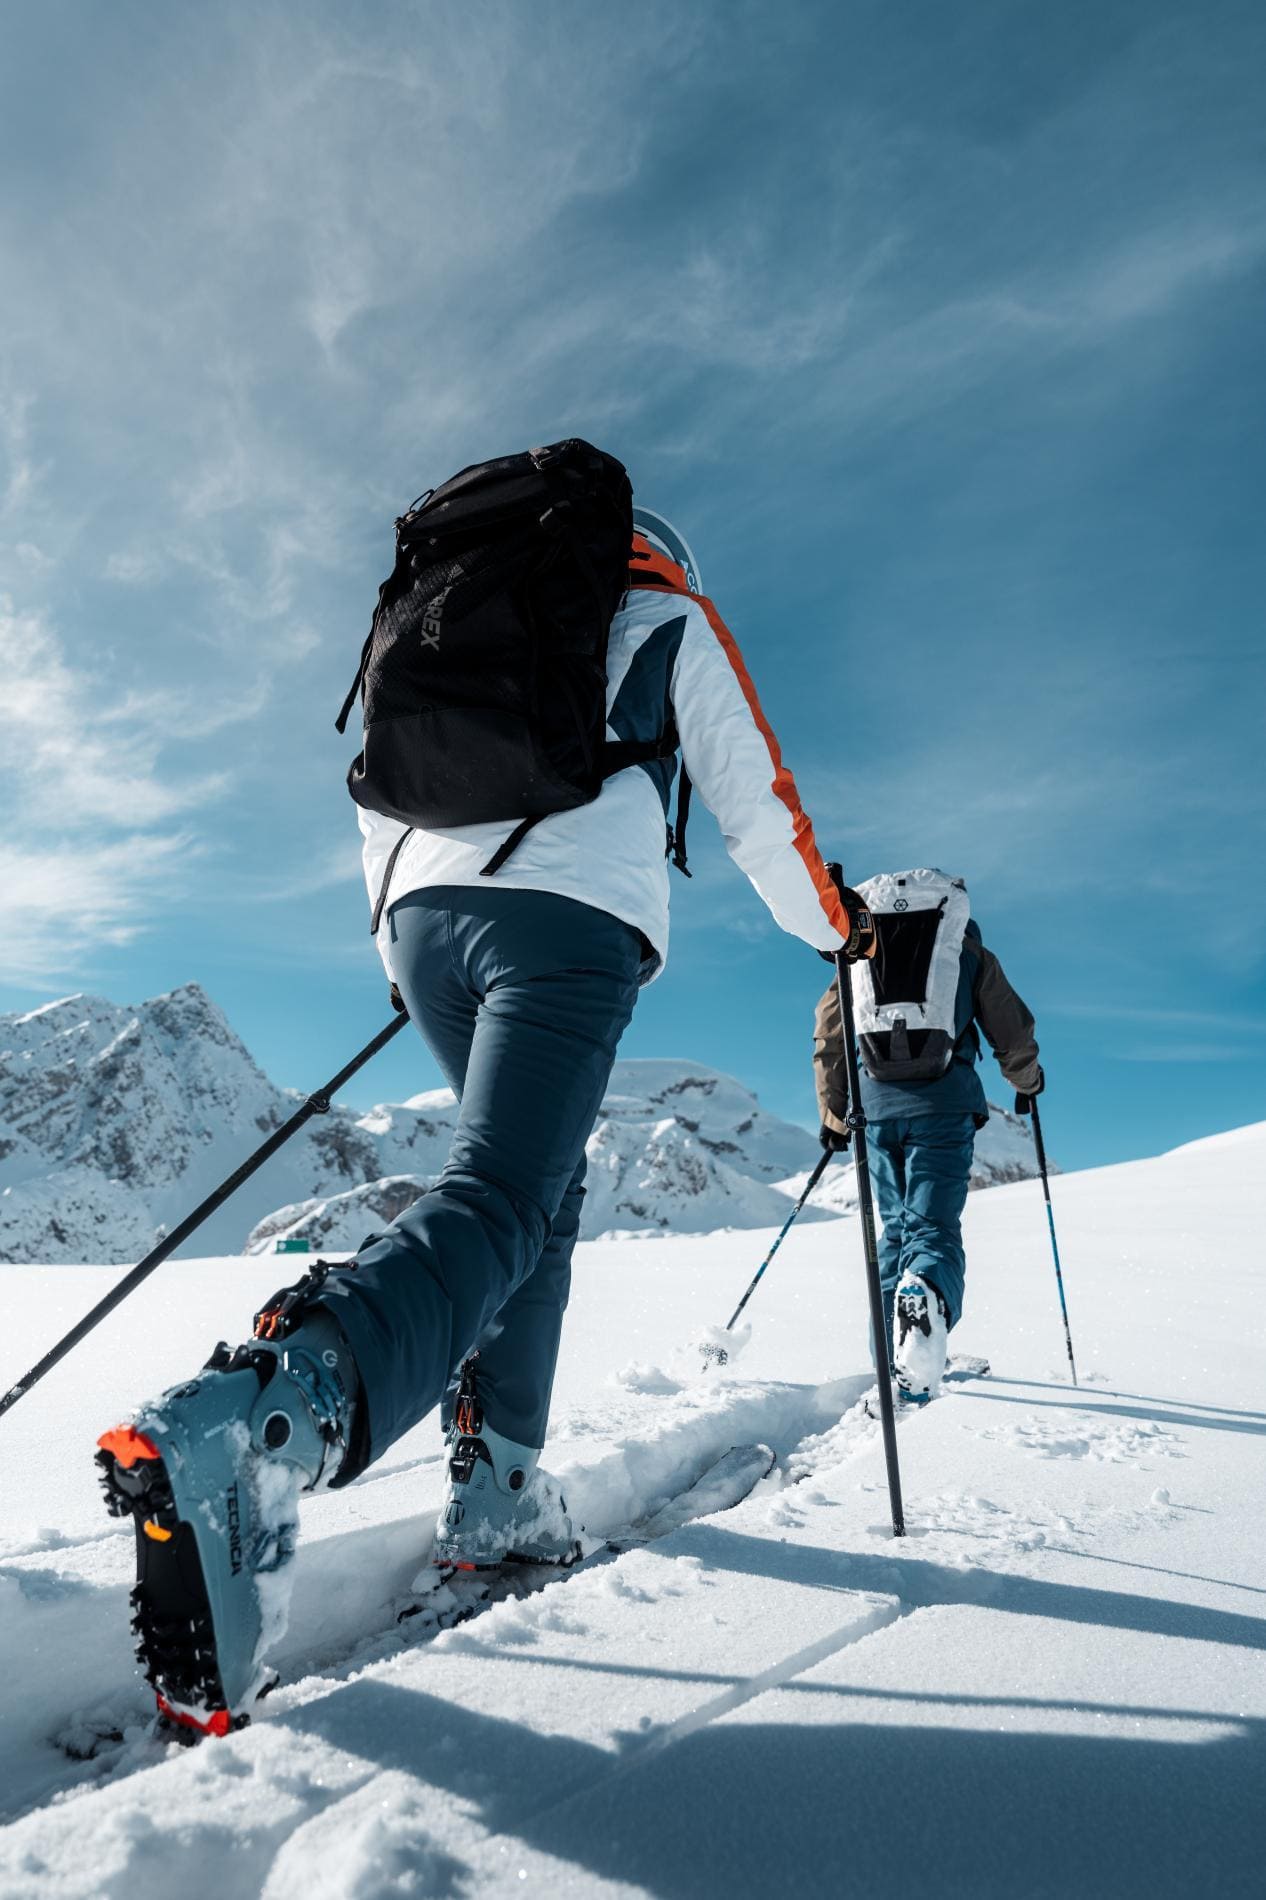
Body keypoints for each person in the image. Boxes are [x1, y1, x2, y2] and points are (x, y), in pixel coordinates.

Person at [98, 496, 866, 1738]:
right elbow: (757, 802)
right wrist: (840, 931)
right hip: (568, 915)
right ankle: (271, 1415)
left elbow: (372, 780)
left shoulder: (433, 610)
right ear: (659, 547)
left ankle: (499, 1489)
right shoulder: (665, 609)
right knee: (504, 1197)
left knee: (539, 1197)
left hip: (422, 918)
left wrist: (413, 939)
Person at [813, 867, 1042, 1405]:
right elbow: (1010, 1030)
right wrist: (1027, 1082)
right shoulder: (962, 947)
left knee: (894, 1230)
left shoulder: (860, 944)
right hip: (942, 1105)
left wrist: (833, 1111)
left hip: (875, 1108)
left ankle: (892, 1358)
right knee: (932, 1228)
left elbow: (829, 1030)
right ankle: (928, 1303)